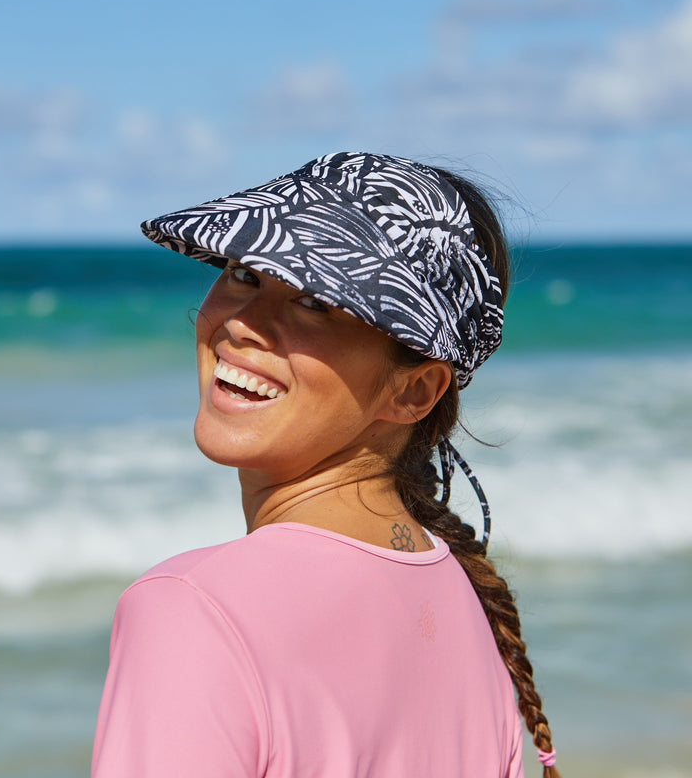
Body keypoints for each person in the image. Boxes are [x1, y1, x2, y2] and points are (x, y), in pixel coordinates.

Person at [91, 152, 561, 777]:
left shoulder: (193, 610)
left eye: (315, 302)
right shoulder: (467, 613)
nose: (241, 324)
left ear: (414, 391)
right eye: (243, 273)